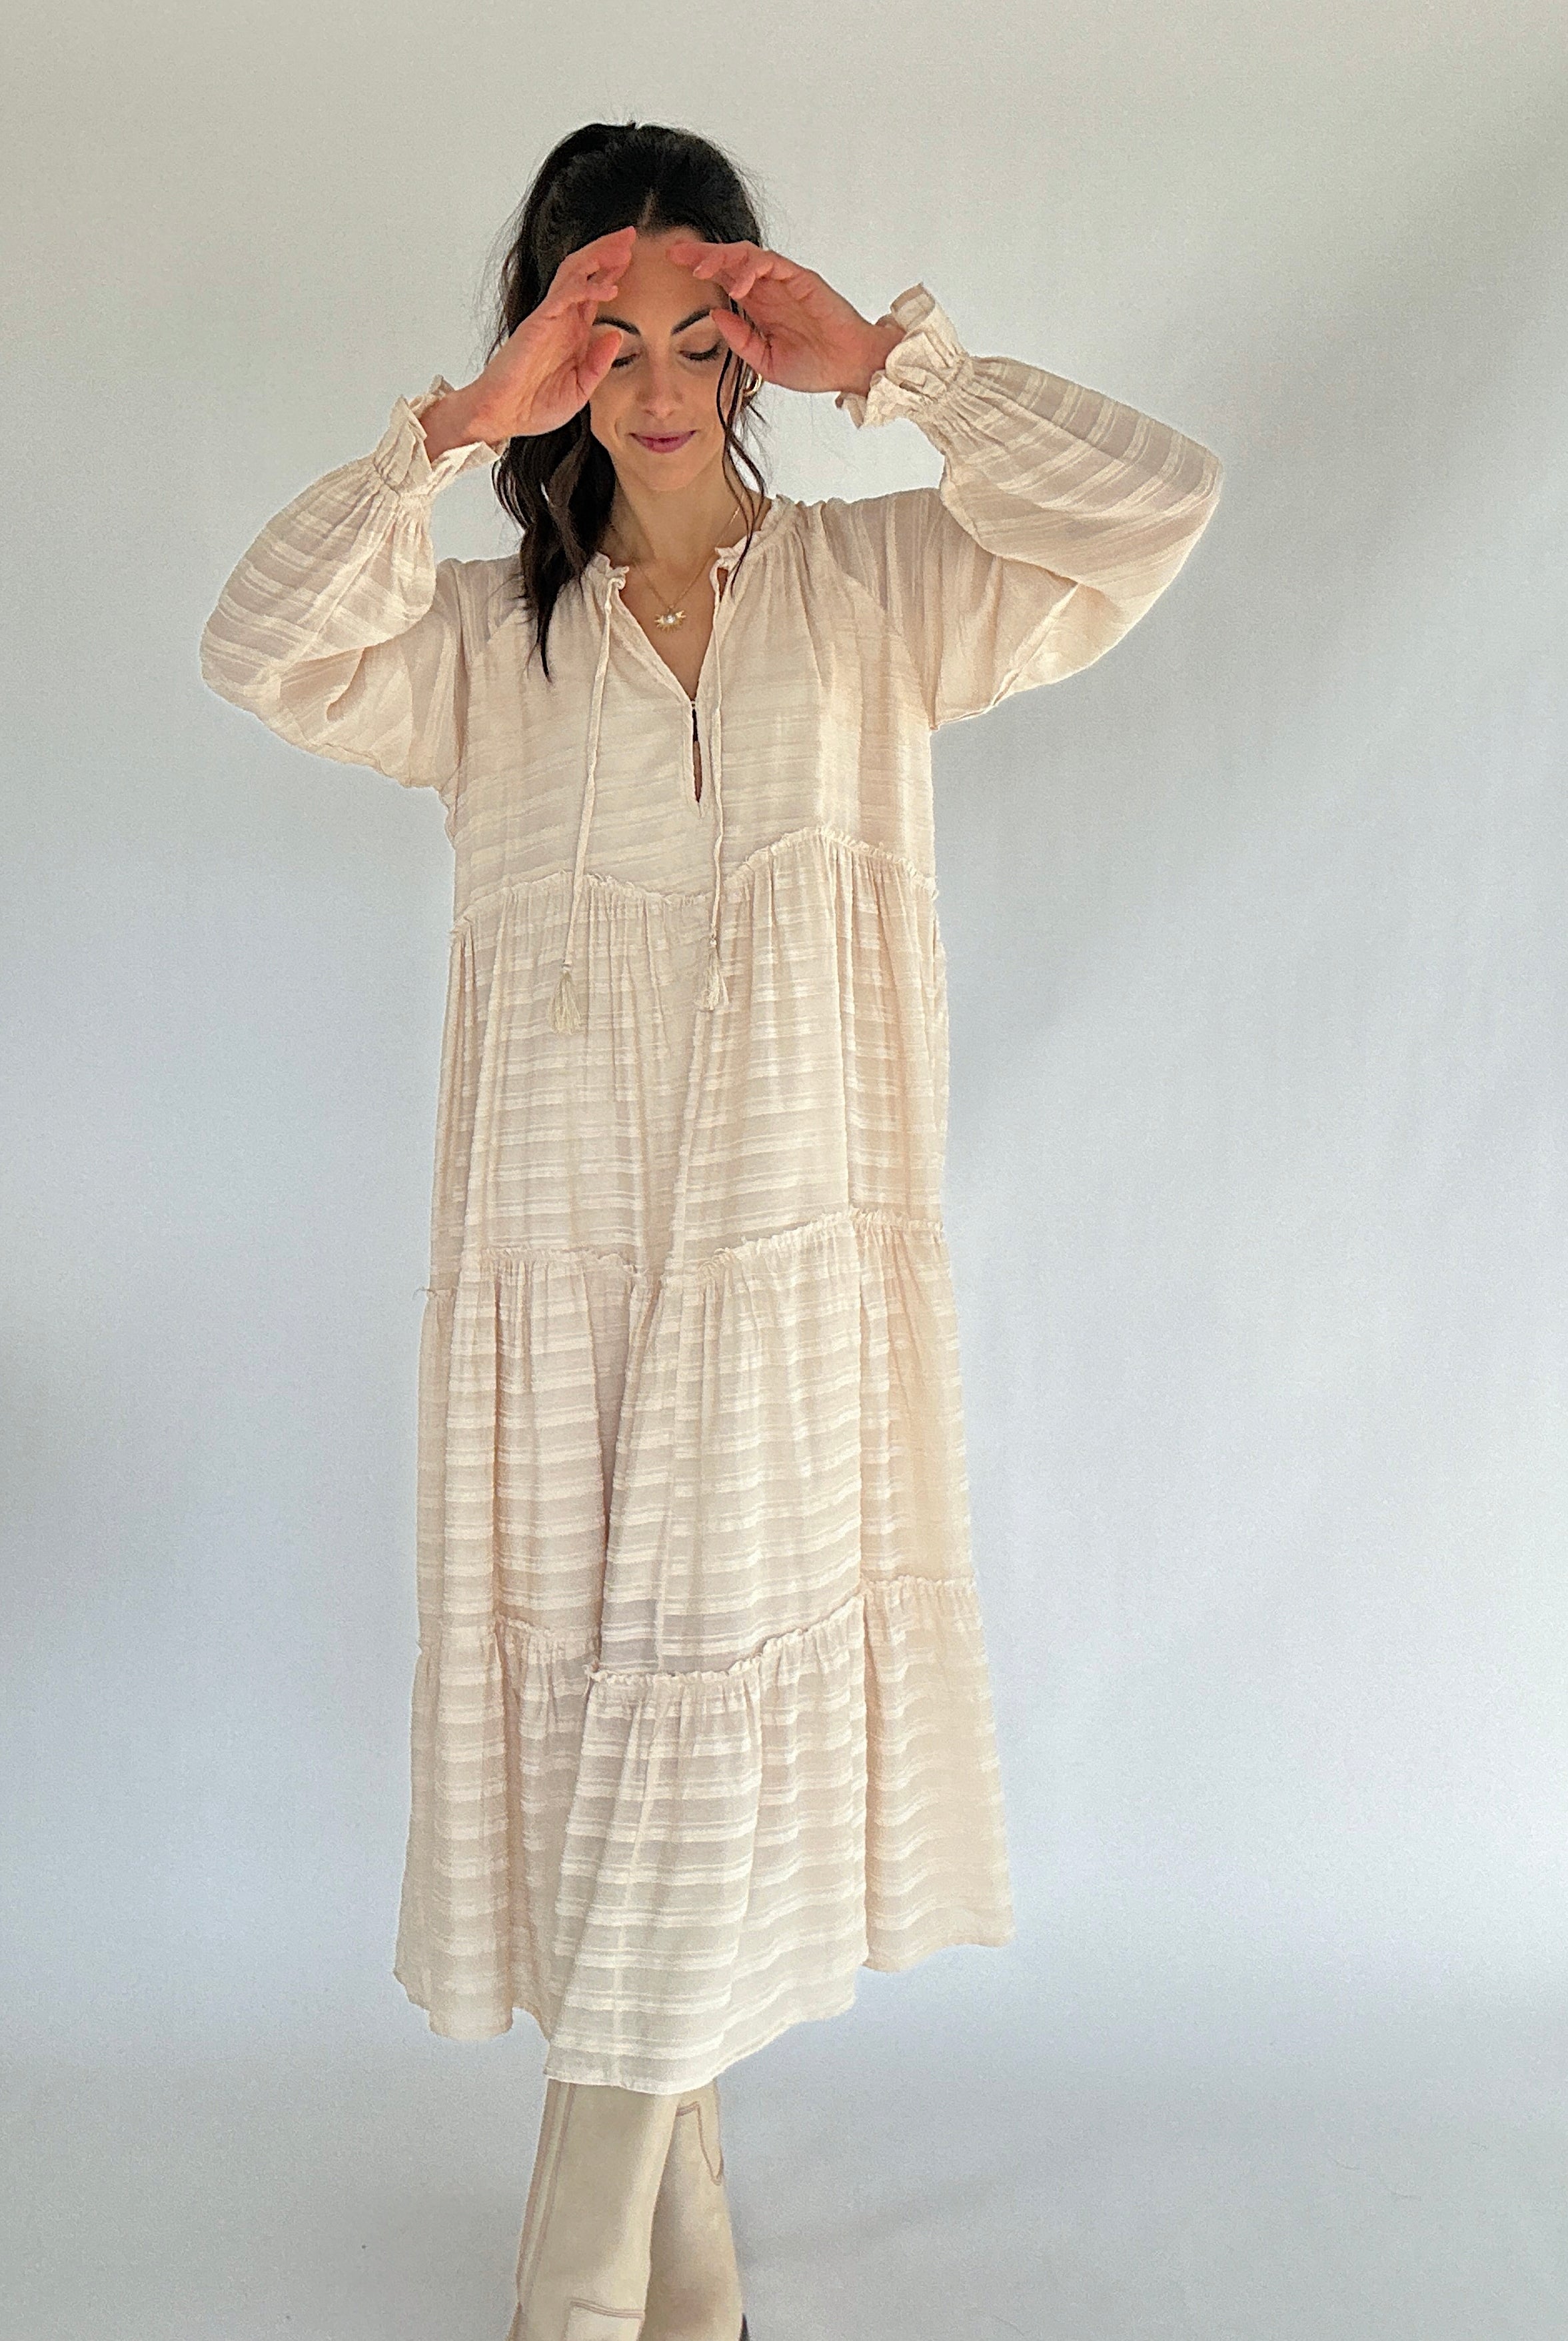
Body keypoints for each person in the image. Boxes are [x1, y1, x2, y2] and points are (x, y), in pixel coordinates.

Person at [199, 118, 1223, 2341]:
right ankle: (699, 2269)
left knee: (678, 1762)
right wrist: (457, 427)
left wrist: (897, 369)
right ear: (553, 355)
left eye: (695, 334)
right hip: (552, 1319)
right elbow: (258, 648)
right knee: (612, 1780)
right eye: (606, 339)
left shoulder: (876, 600)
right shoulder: (483, 649)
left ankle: (564, 2294)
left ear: (749, 347)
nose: (657, 383)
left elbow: (1152, 507)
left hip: (784, 1311)